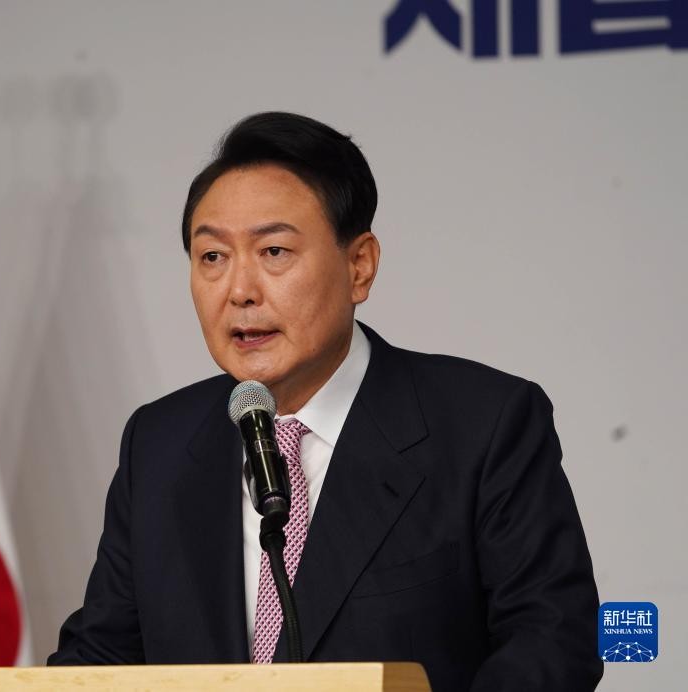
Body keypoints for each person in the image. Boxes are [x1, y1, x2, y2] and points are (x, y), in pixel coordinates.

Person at [48, 112, 603, 691]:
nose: (239, 291)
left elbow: (554, 639)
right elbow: (101, 657)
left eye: (274, 251)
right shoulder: (158, 445)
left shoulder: (482, 424)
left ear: (359, 266)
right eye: (212, 257)